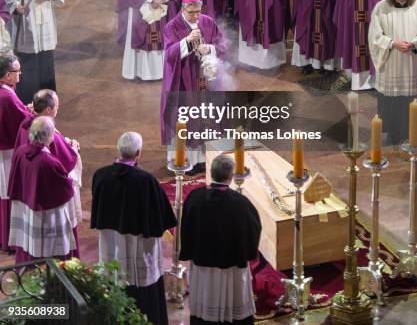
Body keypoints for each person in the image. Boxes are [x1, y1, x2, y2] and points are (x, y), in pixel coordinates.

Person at [91, 131, 176, 325]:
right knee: (143, 287)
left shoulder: (101, 175)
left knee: (113, 277)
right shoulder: (145, 180)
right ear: (138, 153)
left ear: (118, 150)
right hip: (139, 245)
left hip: (110, 241)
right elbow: (162, 219)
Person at [180, 153, 261, 325]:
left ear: (211, 171)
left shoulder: (194, 197)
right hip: (231, 267)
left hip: (202, 265)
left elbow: (185, 227)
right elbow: (253, 229)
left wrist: (190, 250)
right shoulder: (240, 203)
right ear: (231, 176)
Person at [160, 0, 226, 173]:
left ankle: (205, 158)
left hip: (206, 82)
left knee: (207, 118)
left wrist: (210, 48)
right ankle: (187, 159)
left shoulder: (207, 22)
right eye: (191, 13)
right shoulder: (172, 26)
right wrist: (187, 42)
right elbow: (169, 55)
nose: (196, 16)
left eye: (198, 12)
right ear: (183, 9)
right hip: (184, 82)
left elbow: (222, 45)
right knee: (187, 119)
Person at [8, 116, 80, 264]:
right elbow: (65, 188)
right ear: (49, 136)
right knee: (47, 246)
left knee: (30, 240)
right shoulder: (48, 161)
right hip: (45, 213)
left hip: (26, 204)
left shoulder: (21, 151)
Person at [369, 0, 417, 144]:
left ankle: (411, 133)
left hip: (411, 61)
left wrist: (413, 43)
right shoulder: (381, 7)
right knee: (391, 102)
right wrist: (392, 43)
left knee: (409, 101)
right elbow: (374, 35)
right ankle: (393, 134)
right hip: (391, 61)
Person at [0, 54, 28, 251]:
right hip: (6, 154)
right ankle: (8, 240)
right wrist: (35, 114)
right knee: (7, 194)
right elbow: (24, 122)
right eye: (17, 71)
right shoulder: (7, 96)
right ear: (7, 75)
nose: (20, 75)